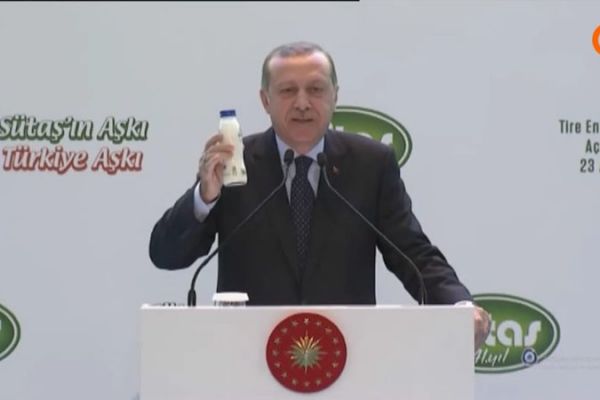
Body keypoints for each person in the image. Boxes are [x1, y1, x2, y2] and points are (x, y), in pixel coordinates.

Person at [149, 41, 490, 349]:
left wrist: (458, 307)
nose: (302, 103)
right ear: (265, 100)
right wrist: (204, 197)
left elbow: (413, 253)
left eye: (315, 89)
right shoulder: (234, 163)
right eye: (287, 91)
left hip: (345, 358)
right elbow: (166, 255)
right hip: (247, 357)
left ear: (334, 96)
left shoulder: (370, 165)